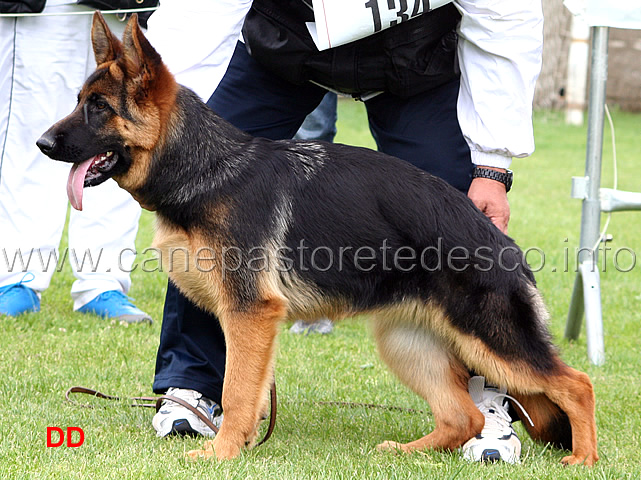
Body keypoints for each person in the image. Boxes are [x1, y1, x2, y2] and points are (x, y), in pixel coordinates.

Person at [146, 0, 543, 463]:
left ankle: (484, 397)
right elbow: (199, 10)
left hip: (415, 59)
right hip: (286, 45)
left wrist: (493, 164)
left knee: (455, 216)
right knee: (205, 194)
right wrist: (156, 102)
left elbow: (505, 15)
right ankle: (194, 384)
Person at [0, 2, 152, 323]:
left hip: (117, 4)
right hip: (46, 7)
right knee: (31, 127)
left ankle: (103, 280)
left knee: (116, 135)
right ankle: (18, 275)